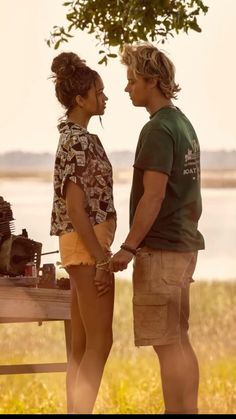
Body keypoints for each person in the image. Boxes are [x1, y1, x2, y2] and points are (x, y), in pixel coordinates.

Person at [111, 42, 205, 415]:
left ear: (152, 81)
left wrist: (128, 247)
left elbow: (152, 196)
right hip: (184, 246)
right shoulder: (183, 123)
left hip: (163, 250)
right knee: (179, 339)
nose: (127, 88)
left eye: (132, 80)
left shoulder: (157, 130)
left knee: (166, 343)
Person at [50, 52, 116, 414]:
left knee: (80, 344)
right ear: (80, 99)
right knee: (100, 341)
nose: (105, 97)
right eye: (99, 92)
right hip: (87, 248)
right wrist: (102, 258)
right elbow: (76, 209)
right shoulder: (77, 140)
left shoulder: (78, 137)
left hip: (81, 246)